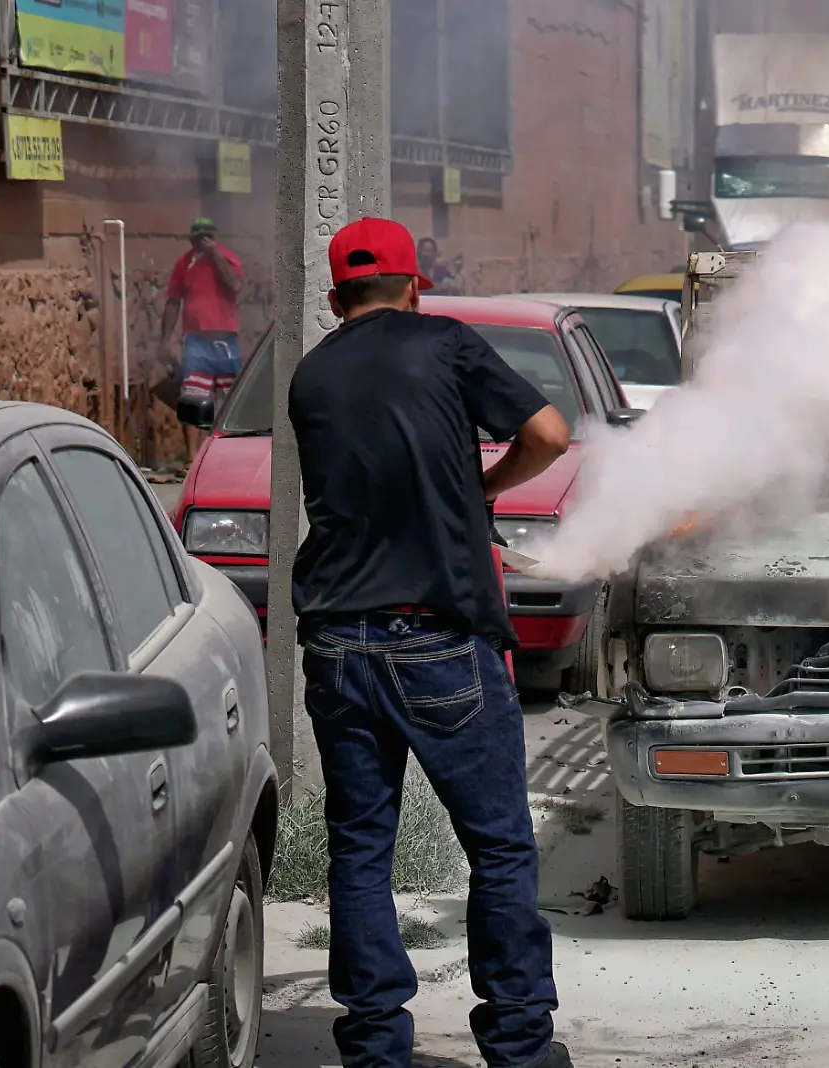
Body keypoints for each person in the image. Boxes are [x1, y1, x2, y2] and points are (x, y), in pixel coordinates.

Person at [289, 216, 573, 1068]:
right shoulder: (446, 344)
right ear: (416, 287)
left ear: (337, 299)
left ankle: (375, 1050)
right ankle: (519, 1044)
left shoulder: (311, 375)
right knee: (497, 845)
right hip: (438, 635)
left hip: (338, 639)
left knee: (360, 851)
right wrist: (485, 486)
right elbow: (551, 435)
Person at [160, 217, 246, 407]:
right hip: (196, 343)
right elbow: (173, 302)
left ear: (215, 238)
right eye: (199, 238)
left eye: (207, 237)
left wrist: (215, 254)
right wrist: (165, 341)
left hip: (226, 343)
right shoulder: (184, 263)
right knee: (194, 401)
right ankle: (200, 435)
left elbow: (235, 285)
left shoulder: (228, 258)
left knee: (231, 402)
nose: (203, 242)